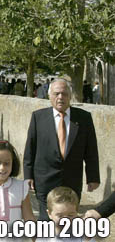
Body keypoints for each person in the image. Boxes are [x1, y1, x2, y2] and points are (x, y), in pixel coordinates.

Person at [23, 78, 100, 220]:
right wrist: (28, 175)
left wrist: (93, 177)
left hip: (72, 181)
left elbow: (91, 150)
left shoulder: (84, 118)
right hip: (45, 181)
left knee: (69, 221)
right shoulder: (38, 117)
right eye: (56, 93)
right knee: (46, 221)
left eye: (64, 94)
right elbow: (30, 148)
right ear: (49, 96)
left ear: (70, 96)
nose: (60, 97)